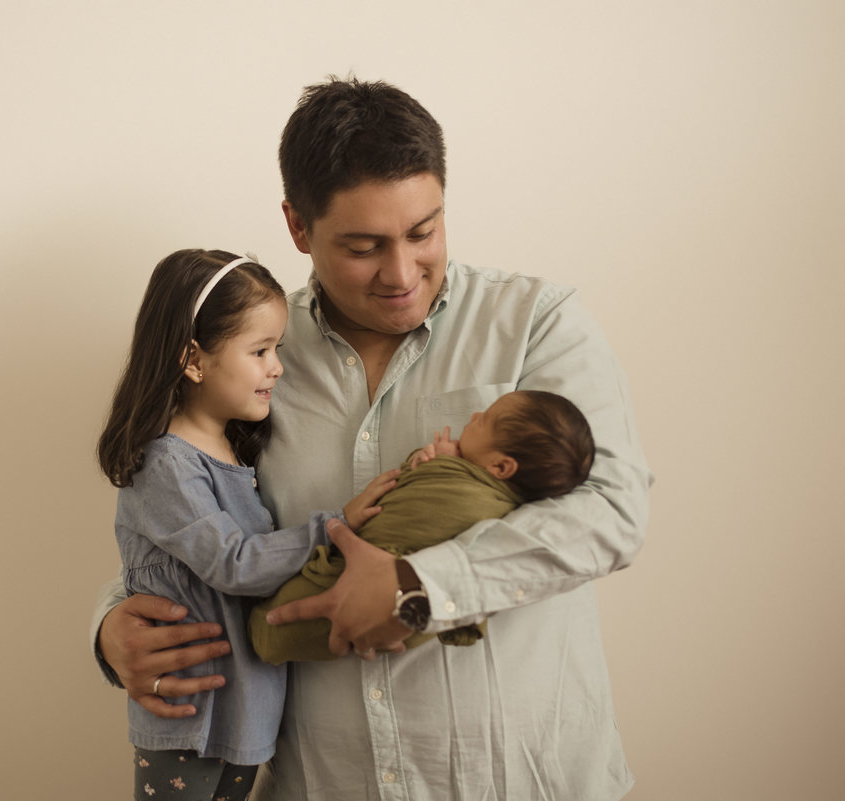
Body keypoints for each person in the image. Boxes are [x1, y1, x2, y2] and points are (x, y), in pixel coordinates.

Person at [92, 76, 652, 800]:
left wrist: (420, 588)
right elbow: (184, 507)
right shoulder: (249, 358)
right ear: (298, 227)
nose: (401, 273)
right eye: (363, 246)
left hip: (517, 781)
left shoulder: (536, 325)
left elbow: (612, 511)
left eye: (423, 232)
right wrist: (113, 625)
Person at [96, 248, 398, 801]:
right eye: (259, 350)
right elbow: (235, 564)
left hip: (246, 718)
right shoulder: (167, 464)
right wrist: (337, 526)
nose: (277, 366)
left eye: (276, 349)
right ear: (194, 360)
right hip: (191, 720)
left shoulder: (234, 453)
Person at [248, 389, 595, 664]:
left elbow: (411, 494)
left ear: (501, 467)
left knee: (283, 618)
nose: (475, 415)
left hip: (387, 594)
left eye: (486, 419)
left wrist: (432, 465)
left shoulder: (467, 490)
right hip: (414, 621)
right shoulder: (503, 504)